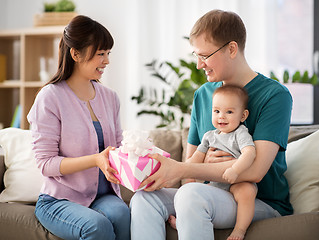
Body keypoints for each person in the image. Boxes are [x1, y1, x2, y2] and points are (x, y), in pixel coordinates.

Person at [130, 9, 293, 240]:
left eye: (204, 56)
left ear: (232, 49)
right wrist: (191, 170)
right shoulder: (203, 95)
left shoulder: (275, 96)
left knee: (191, 195)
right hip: (210, 195)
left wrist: (184, 168)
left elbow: (255, 171)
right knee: (145, 198)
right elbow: (191, 170)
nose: (198, 65)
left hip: (258, 201)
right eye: (196, 55)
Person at [27, 15, 130, 240]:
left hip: (103, 195)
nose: (107, 61)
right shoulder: (50, 97)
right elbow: (45, 164)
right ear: (76, 54)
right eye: (100, 54)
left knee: (123, 214)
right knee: (96, 226)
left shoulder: (110, 97)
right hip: (58, 200)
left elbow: (119, 147)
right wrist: (95, 159)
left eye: (108, 54)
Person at [168, 85, 257, 240]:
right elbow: (195, 160)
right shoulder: (209, 136)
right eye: (216, 111)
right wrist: (181, 172)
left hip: (237, 182)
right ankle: (184, 221)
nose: (221, 116)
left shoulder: (240, 133)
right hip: (216, 185)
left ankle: (239, 230)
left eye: (229, 112)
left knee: (247, 192)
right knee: (192, 194)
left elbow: (250, 153)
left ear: (243, 116)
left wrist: (235, 170)